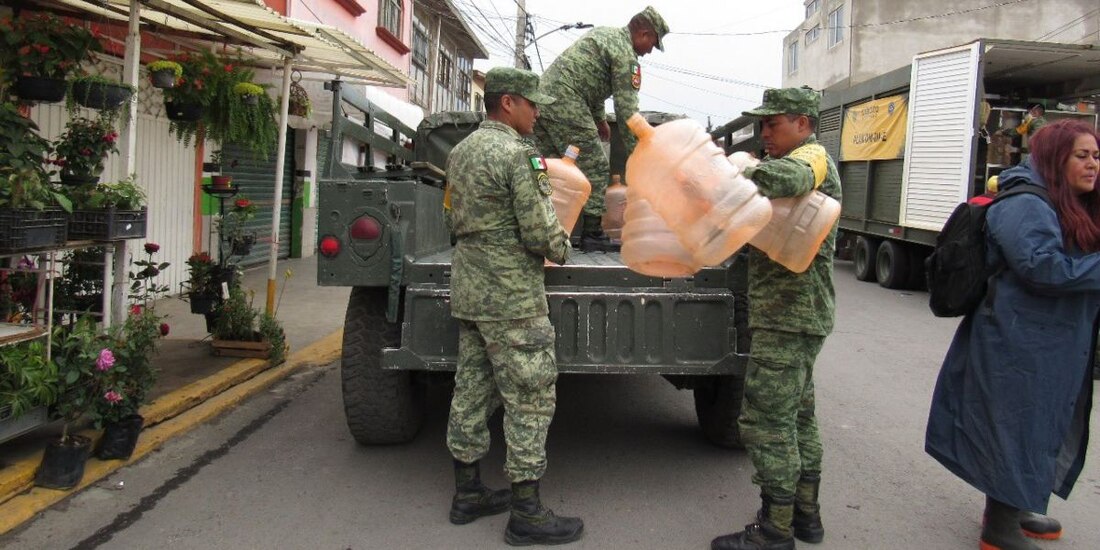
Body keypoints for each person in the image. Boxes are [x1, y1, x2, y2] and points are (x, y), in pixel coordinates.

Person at [925, 119, 1100, 550]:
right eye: (1082, 155)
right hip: (1017, 342)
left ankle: (1015, 507)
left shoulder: (1062, 200)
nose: (1093, 164)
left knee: (1039, 426)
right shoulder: (1025, 203)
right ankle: (999, 527)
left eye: (1097, 155)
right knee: (1016, 427)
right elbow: (1042, 267)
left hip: (1050, 341)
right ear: (1056, 158)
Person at [443, 66, 582, 546]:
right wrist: (563, 247)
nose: (537, 110)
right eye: (532, 102)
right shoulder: (520, 156)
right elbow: (541, 232)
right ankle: (527, 512)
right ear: (508, 103)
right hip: (513, 299)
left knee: (472, 389)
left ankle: (467, 494)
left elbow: (451, 217)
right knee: (530, 398)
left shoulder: (459, 153)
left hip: (470, 290)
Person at [711, 87, 841, 550]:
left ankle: (774, 529)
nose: (765, 132)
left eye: (774, 123)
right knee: (799, 417)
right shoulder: (802, 155)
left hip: (788, 317)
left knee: (766, 420)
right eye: (763, 124)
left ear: (803, 123)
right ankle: (806, 516)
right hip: (798, 316)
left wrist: (741, 167)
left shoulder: (812, 158)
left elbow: (786, 180)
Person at [532, 6, 669, 252]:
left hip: (543, 102)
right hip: (565, 101)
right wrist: (640, 153)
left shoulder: (606, 35)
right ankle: (592, 234)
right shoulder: (627, 56)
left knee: (552, 170)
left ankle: (541, 233)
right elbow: (628, 114)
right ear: (645, 34)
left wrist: (599, 119)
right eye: (653, 44)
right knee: (595, 165)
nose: (650, 51)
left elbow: (589, 80)